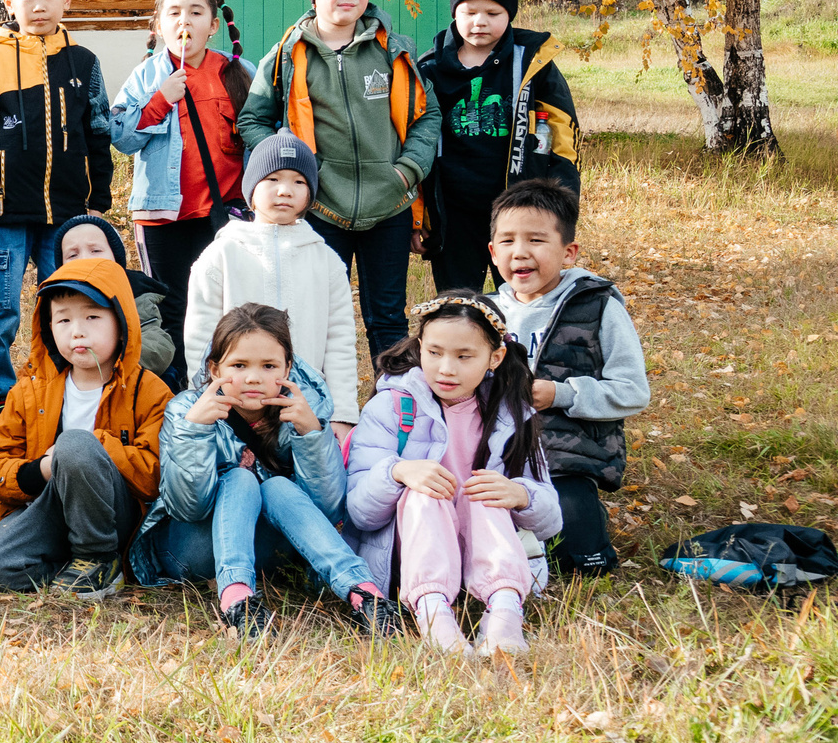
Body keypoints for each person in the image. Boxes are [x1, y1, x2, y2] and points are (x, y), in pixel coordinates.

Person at [129, 304, 401, 638]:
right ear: (214, 369)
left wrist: (311, 435)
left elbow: (328, 508)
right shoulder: (187, 410)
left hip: (275, 552)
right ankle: (237, 599)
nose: (254, 377)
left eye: (269, 365)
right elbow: (188, 507)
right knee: (240, 478)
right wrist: (195, 433)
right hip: (196, 550)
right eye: (239, 365)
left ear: (288, 367)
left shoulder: (305, 408)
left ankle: (364, 595)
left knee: (278, 489)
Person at [238, 0, 439, 358]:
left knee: (388, 319)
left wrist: (406, 170)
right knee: (313, 317)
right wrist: (296, 167)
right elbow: (252, 121)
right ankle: (317, 417)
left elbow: (427, 116)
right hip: (321, 208)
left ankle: (394, 410)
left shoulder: (394, 50)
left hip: (390, 206)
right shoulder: (286, 56)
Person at [345, 294, 559, 658]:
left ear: (495, 358)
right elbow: (359, 511)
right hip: (414, 551)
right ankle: (433, 616)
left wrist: (520, 494)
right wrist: (397, 472)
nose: (446, 368)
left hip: (487, 544)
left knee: (486, 487)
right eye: (435, 352)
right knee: (424, 489)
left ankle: (505, 611)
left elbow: (551, 520)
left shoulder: (511, 413)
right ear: (420, 347)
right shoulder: (392, 405)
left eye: (464, 356)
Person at [0, 0, 114, 408]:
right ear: (10, 2)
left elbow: (100, 130)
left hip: (68, 214)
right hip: (5, 213)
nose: (40, 6)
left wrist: (97, 200)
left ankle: (61, 392)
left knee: (65, 308)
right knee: (0, 310)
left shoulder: (84, 62)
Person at [0, 258, 169, 597]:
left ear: (122, 322)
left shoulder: (148, 390)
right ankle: (70, 567)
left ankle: (98, 558)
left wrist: (93, 444)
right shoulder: (30, 390)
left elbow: (155, 474)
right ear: (48, 328)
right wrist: (44, 468)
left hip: (114, 516)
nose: (77, 330)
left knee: (75, 443)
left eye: (92, 317)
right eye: (63, 320)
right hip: (49, 507)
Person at [486, 180, 643, 579]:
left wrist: (560, 393)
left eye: (536, 240)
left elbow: (632, 392)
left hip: (563, 460)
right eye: (507, 241)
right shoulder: (482, 313)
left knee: (581, 562)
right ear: (493, 252)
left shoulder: (597, 306)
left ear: (568, 252)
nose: (520, 252)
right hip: (491, 458)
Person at [111, 0, 251, 382]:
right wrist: (160, 99)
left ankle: (222, 389)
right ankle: (174, 395)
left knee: (225, 305)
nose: (184, 21)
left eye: (195, 12)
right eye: (173, 13)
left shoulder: (236, 72)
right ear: (158, 26)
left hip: (225, 216)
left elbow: (263, 133)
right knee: (171, 307)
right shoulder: (146, 75)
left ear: (213, 26)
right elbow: (119, 135)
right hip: (162, 215)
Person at [417, 0, 582, 296]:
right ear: (454, 14)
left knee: (525, 298)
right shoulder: (431, 70)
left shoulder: (533, 63)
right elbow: (413, 142)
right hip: (454, 214)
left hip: (520, 211)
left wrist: (563, 202)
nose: (480, 22)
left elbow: (562, 134)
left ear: (509, 14)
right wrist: (418, 215)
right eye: (469, 12)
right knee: (459, 303)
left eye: (493, 14)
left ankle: (521, 351)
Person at [182, 132, 363, 425]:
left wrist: (342, 415)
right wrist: (206, 397)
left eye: (299, 181)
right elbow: (200, 335)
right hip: (236, 405)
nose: (285, 191)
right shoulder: (222, 253)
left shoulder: (326, 260)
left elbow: (339, 340)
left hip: (305, 406)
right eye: (273, 179)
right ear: (251, 188)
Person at [51, 214, 175, 381]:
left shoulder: (135, 291)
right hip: (77, 379)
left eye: (95, 250)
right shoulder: (56, 297)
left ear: (115, 258)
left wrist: (109, 363)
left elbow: (158, 347)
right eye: (72, 255)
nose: (86, 259)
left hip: (127, 380)